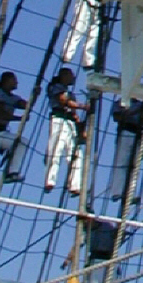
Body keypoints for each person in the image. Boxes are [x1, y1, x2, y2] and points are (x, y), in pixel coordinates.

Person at [45, 66, 89, 196]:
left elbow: (74, 114)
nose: (73, 78)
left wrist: (81, 129)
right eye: (71, 75)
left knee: (76, 154)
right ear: (64, 76)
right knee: (56, 150)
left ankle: (75, 185)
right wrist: (83, 106)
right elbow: (64, 101)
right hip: (59, 119)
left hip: (70, 122)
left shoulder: (71, 94)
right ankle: (50, 180)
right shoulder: (56, 87)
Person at [106, 97, 143, 202]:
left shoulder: (142, 104)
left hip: (138, 135)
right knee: (121, 163)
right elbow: (117, 117)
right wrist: (135, 111)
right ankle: (117, 192)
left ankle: (130, 193)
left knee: (135, 166)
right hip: (125, 131)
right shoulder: (121, 102)